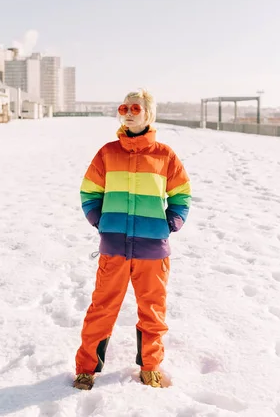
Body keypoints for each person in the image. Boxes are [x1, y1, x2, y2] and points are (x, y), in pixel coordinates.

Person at [73, 88, 191, 390]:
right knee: (102, 307)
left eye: (135, 108)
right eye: (123, 107)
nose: (127, 112)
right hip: (114, 247)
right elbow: (89, 191)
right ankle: (86, 368)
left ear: (148, 114)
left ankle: (150, 366)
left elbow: (181, 195)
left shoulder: (165, 155)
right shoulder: (107, 153)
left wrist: (171, 222)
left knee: (152, 309)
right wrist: (100, 221)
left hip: (153, 250)